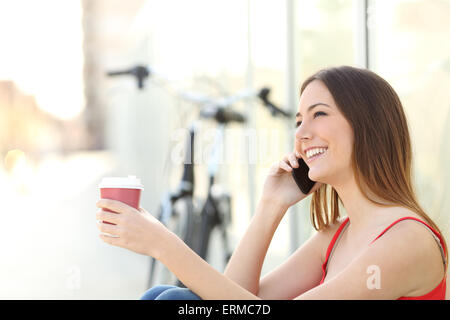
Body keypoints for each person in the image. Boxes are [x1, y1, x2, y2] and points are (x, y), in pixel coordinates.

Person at [96, 65, 448, 300]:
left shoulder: (407, 240)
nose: (302, 133)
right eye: (298, 121)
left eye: (319, 114)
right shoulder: (337, 234)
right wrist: (271, 205)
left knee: (173, 299)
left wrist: (164, 245)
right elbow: (235, 299)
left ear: (368, 127)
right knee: (170, 298)